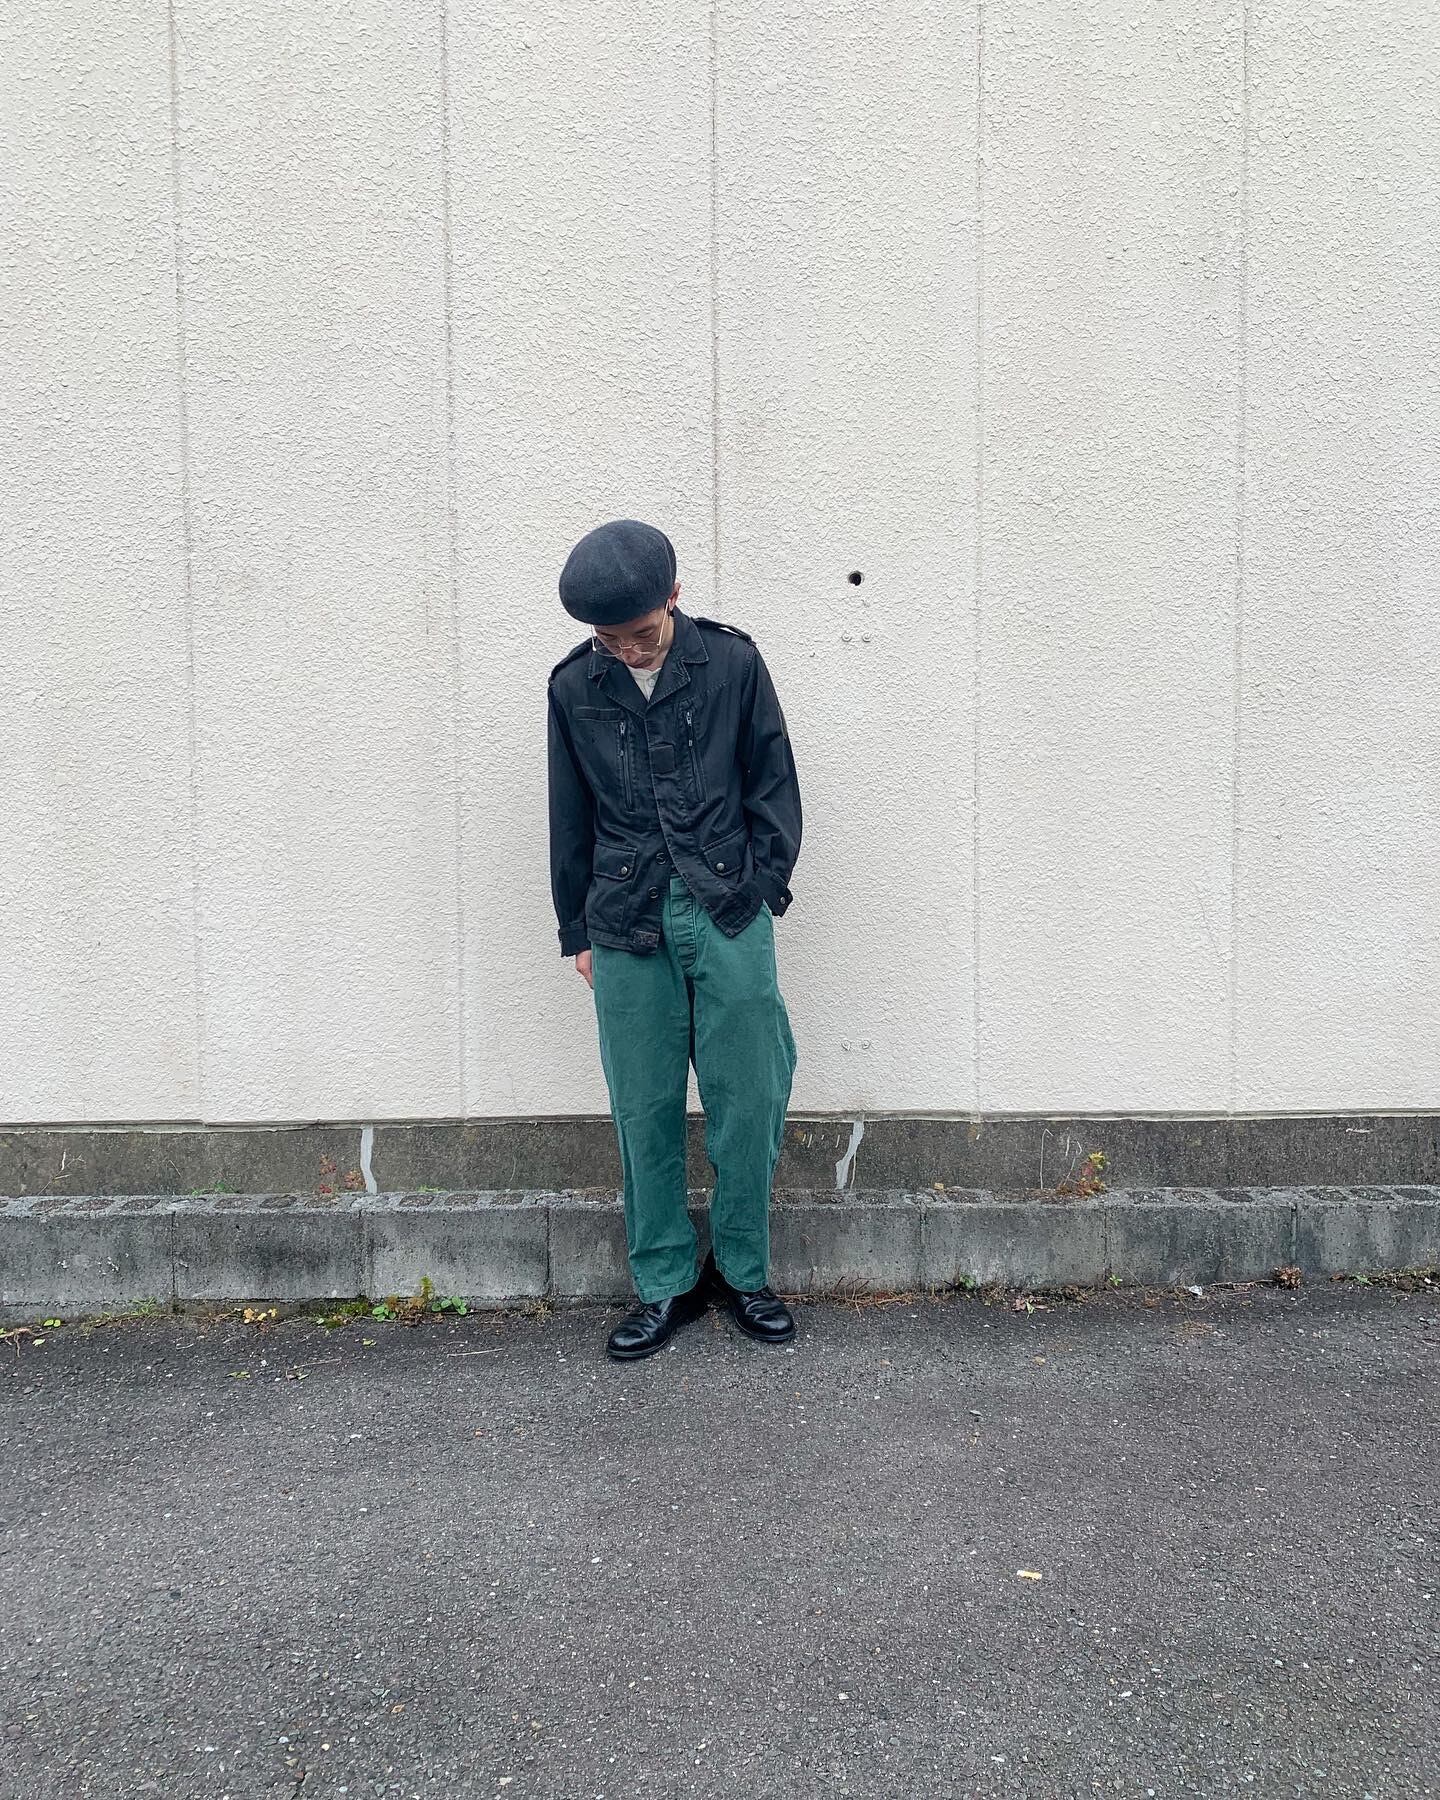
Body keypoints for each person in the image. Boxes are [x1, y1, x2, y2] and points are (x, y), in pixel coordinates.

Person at [547, 518, 802, 1362]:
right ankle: (663, 1284)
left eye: (641, 633)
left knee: (751, 1096)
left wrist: (762, 890)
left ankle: (743, 1273)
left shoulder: (731, 663)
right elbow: (569, 813)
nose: (627, 650)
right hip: (624, 921)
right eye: (608, 639)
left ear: (674, 598)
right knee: (643, 1109)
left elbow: (773, 782)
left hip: (727, 908)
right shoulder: (573, 685)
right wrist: (578, 931)